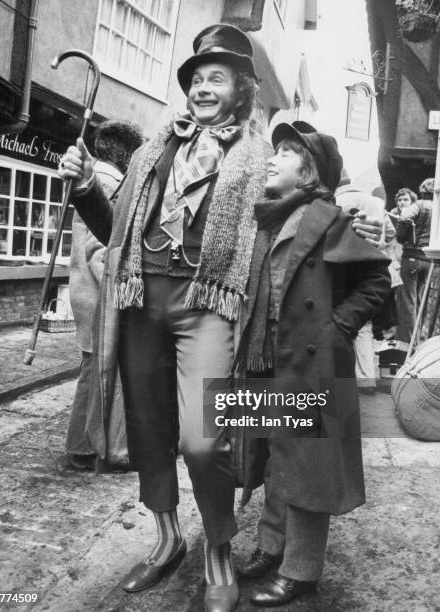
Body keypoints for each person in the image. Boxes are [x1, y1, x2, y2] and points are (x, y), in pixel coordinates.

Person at [57, 24, 383, 612]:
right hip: (140, 300)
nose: (205, 88)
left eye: (219, 78)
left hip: (207, 306)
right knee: (149, 431)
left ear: (242, 90)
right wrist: (84, 189)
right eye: (198, 79)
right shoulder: (150, 151)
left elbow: (296, 221)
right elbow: (117, 231)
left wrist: (326, 319)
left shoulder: (261, 158)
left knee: (203, 440)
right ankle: (167, 540)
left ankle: (217, 549)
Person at [236, 123, 391, 607]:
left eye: (285, 152)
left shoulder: (328, 219)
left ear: (309, 170)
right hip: (268, 357)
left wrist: (337, 328)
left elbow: (377, 280)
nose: (272, 157)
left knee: (308, 467)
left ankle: (301, 570)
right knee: (272, 457)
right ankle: (271, 546)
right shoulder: (265, 217)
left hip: (314, 361)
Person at [65, 119, 143, 470]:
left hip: (84, 291)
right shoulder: (111, 181)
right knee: (95, 373)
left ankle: (84, 445)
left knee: (90, 369)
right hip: (98, 294)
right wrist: (119, 287)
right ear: (126, 152)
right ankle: (83, 448)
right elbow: (101, 248)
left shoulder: (97, 176)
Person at [336, 178, 399, 394]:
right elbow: (390, 233)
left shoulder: (334, 200)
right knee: (367, 324)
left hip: (343, 266)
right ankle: (366, 378)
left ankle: (346, 379)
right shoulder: (376, 203)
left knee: (344, 322)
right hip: (376, 265)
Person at [392, 182, 433, 346]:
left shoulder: (419, 205)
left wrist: (402, 237)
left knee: (407, 301)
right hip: (429, 259)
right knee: (420, 300)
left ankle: (406, 342)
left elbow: (404, 217)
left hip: (412, 257)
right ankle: (419, 339)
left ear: (422, 191)